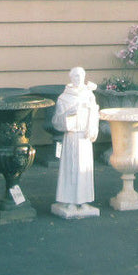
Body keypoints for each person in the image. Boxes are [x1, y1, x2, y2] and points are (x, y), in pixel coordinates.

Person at [51, 66, 100, 219]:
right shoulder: (64, 97)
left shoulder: (89, 95)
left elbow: (95, 113)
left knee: (84, 169)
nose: (79, 79)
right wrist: (68, 113)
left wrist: (92, 126)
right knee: (71, 169)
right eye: (76, 76)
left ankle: (84, 200)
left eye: (81, 76)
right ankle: (70, 200)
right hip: (72, 136)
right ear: (71, 78)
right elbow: (56, 121)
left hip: (84, 138)